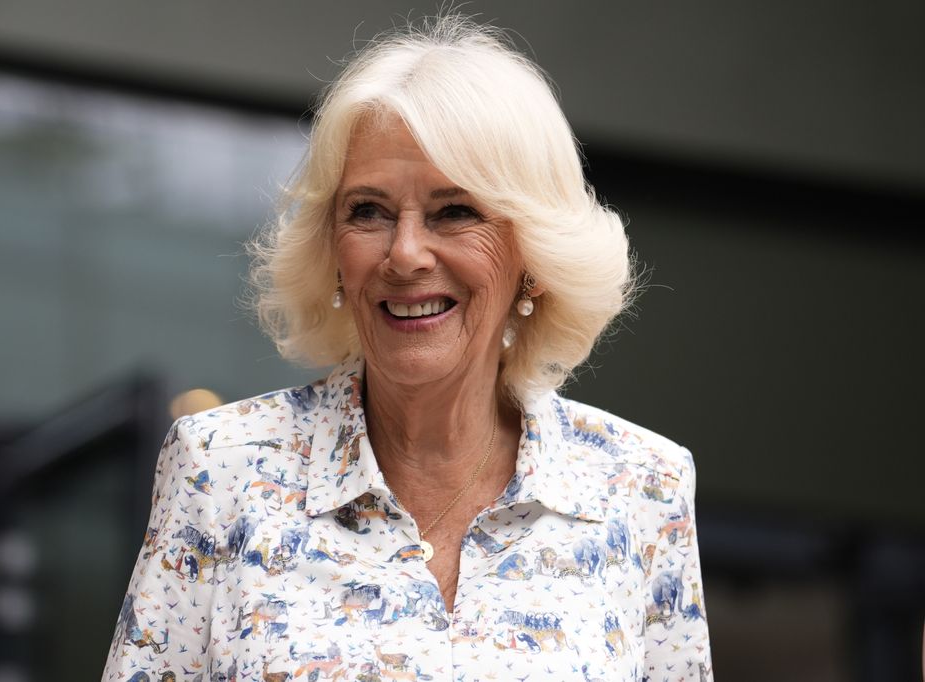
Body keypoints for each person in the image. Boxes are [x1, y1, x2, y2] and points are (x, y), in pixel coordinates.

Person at [103, 16, 712, 682]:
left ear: (533, 257)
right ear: (333, 252)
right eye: (369, 211)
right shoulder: (219, 471)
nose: (405, 254)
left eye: (455, 212)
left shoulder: (642, 486)